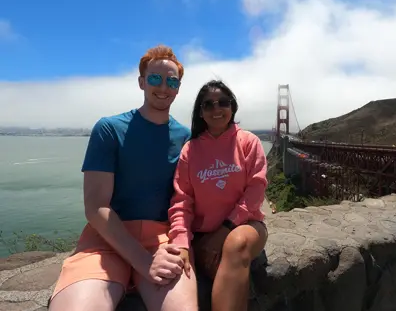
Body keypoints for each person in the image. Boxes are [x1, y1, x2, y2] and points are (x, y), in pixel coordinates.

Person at [48, 45, 198, 311]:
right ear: (141, 82)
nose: (163, 86)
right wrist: (143, 261)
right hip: (105, 241)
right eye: (155, 78)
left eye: (172, 81)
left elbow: (189, 197)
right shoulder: (109, 129)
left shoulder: (185, 136)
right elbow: (96, 207)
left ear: (178, 88)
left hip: (162, 241)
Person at [168, 80, 268, 311]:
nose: (216, 109)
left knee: (235, 245)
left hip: (246, 226)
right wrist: (182, 243)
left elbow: (256, 190)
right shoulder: (190, 150)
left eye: (223, 102)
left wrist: (224, 230)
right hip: (203, 235)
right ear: (200, 112)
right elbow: (182, 201)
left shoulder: (248, 142)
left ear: (232, 107)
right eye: (208, 105)